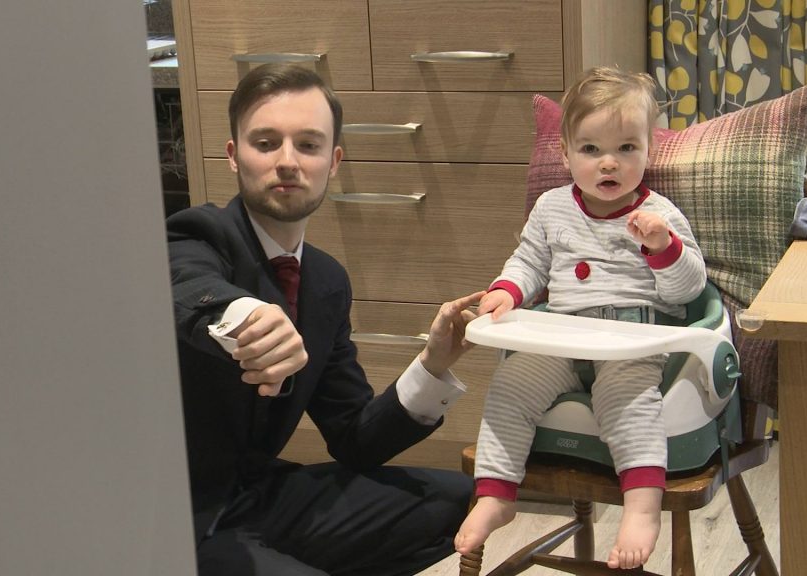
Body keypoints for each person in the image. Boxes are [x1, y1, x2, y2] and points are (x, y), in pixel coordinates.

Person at [165, 63, 485, 576]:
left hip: (257, 496)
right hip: (174, 514)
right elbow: (184, 287)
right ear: (233, 156)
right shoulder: (198, 236)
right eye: (265, 143)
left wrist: (432, 365)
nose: (287, 161)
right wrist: (246, 316)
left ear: (333, 161)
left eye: (308, 145)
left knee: (460, 502)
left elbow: (355, 440)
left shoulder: (326, 282)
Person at [453, 67, 707, 570]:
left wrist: (663, 248)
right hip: (562, 338)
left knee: (628, 404)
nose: (608, 162)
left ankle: (641, 506)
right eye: (590, 150)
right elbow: (528, 261)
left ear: (648, 152)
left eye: (626, 149)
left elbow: (689, 291)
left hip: (631, 340)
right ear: (565, 155)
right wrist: (508, 290)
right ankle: (498, 493)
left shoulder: (660, 214)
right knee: (510, 386)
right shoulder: (552, 209)